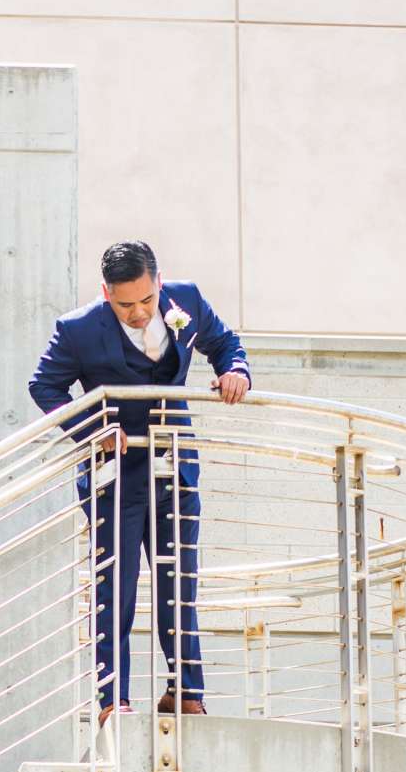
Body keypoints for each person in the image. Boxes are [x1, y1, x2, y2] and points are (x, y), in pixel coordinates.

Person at [28, 240, 251, 720]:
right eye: (125, 304)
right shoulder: (77, 329)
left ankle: (187, 693)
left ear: (159, 283)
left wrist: (235, 370)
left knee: (179, 582)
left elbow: (225, 343)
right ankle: (115, 698)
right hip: (114, 474)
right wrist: (92, 430)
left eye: (147, 301)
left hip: (175, 464)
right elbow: (44, 385)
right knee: (117, 586)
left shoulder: (186, 299)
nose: (139, 312)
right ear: (105, 293)